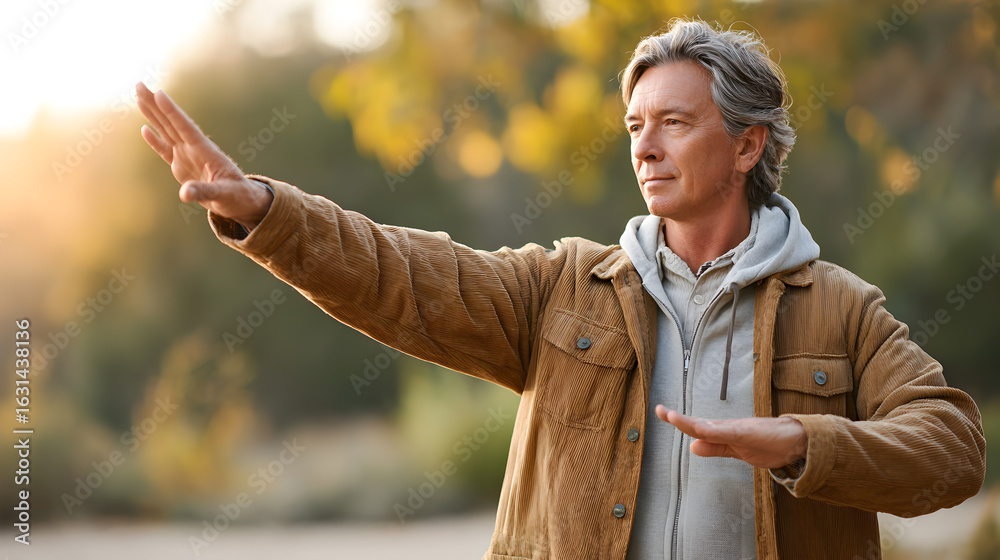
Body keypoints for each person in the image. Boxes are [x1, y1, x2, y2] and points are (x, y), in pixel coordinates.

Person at [136, 18, 984, 560]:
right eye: (634, 127)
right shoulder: (563, 288)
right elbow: (400, 273)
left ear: (748, 148)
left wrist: (802, 441)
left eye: (675, 124)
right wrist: (267, 211)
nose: (644, 148)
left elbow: (951, 451)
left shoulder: (840, 307)